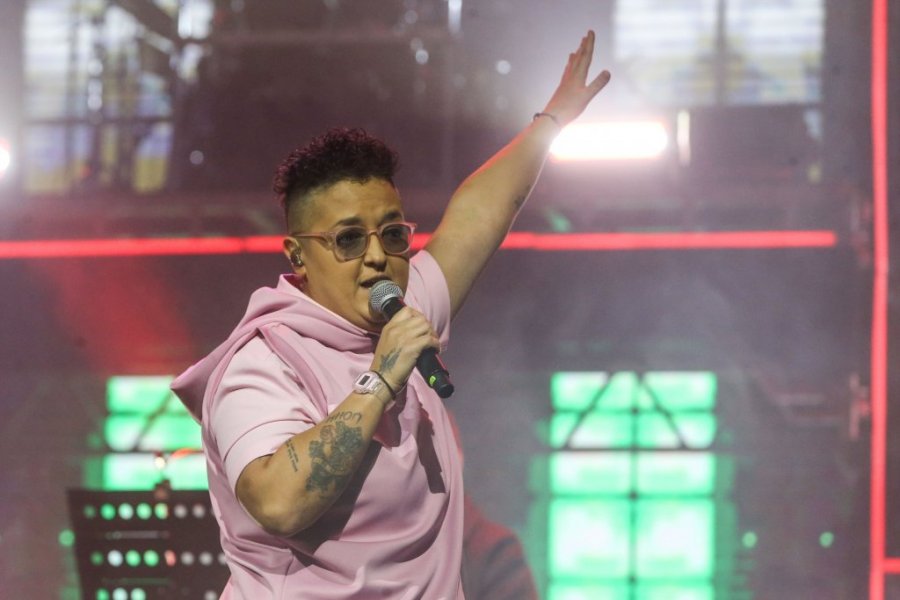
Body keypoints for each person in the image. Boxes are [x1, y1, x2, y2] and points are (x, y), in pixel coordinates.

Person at [172, 31, 609, 599]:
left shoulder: (402, 309)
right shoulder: (263, 363)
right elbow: (277, 503)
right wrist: (380, 379)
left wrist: (551, 121)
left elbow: (480, 212)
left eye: (393, 234)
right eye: (349, 239)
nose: (378, 256)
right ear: (298, 256)